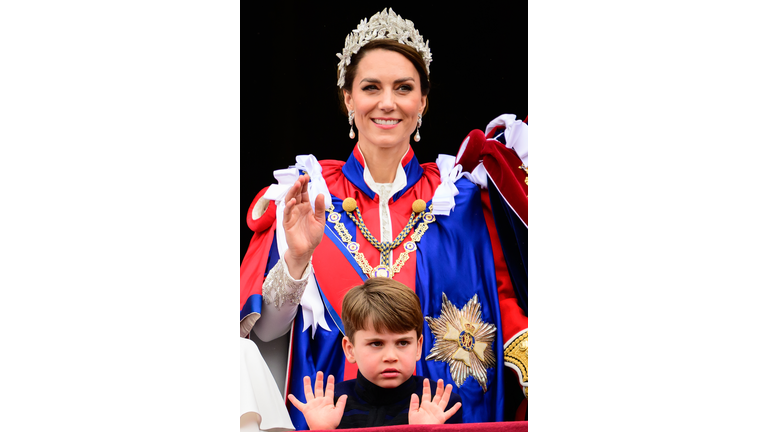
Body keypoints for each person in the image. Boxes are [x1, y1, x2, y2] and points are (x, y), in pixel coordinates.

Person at [240, 8, 528, 429]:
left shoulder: (462, 200)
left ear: (422, 102)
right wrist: (297, 260)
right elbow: (263, 335)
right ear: (348, 99)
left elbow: (504, 306)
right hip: (330, 421)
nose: (387, 103)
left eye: (403, 88)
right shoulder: (304, 195)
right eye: (371, 87)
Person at [287, 277, 462, 429]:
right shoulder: (329, 406)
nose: (391, 357)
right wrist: (322, 430)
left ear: (418, 347)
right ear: (350, 349)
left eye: (403, 343)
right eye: (376, 343)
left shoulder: (439, 405)